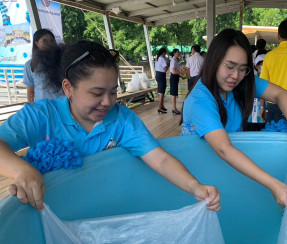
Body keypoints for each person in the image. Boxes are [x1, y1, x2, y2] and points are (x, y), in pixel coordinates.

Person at [0, 41, 220, 212]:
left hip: (105, 210)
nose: (107, 102)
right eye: (97, 93)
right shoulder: (42, 116)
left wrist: (195, 187)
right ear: (68, 88)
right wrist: (23, 170)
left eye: (113, 92)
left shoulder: (121, 119)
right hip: (54, 214)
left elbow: (160, 159)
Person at [182, 29, 287, 207]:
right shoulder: (200, 100)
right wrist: (273, 185)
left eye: (242, 69)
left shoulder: (242, 83)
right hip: (201, 175)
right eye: (230, 66)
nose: (235, 76)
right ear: (214, 61)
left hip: (231, 167)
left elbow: (282, 94)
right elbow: (223, 149)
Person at [23, 29, 64, 103]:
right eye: (44, 41)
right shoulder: (29, 65)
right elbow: (30, 90)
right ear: (36, 43)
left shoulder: (63, 60)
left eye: (52, 40)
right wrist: (32, 109)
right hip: (42, 108)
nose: (49, 43)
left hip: (63, 105)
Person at [169, 48, 185, 114]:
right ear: (174, 53)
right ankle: (174, 109)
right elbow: (174, 71)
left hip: (176, 77)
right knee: (174, 94)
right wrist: (182, 73)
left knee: (175, 93)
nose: (179, 53)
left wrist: (181, 76)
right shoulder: (173, 61)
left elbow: (176, 71)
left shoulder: (176, 60)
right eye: (178, 52)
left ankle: (174, 108)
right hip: (173, 77)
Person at [155, 47, 168, 113]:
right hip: (161, 75)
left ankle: (162, 105)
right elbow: (165, 69)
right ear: (163, 52)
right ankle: (160, 107)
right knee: (162, 92)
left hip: (157, 74)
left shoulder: (158, 58)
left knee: (161, 90)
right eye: (165, 53)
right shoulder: (162, 59)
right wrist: (168, 65)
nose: (166, 54)